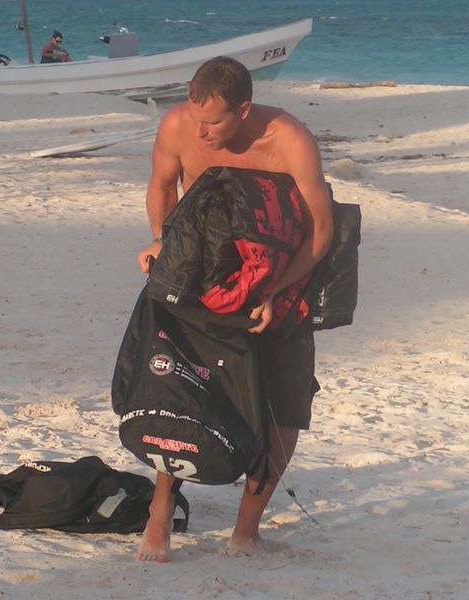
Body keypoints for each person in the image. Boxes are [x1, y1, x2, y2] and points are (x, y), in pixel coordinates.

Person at [135, 56, 333, 562]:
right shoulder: (181, 124)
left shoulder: (288, 138)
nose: (200, 132)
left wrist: (274, 291)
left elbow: (321, 231)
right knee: (181, 390)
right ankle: (160, 509)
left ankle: (246, 530)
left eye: (215, 121)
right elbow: (161, 185)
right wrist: (159, 239)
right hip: (203, 278)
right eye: (196, 117)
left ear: (244, 109)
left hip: (280, 282)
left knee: (286, 405)